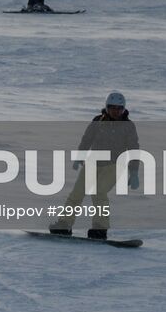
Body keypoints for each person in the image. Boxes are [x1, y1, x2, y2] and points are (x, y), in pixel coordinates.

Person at [49, 91, 140, 240]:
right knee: (76, 194)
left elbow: (134, 148)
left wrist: (134, 172)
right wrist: (80, 157)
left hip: (115, 165)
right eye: (113, 108)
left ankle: (100, 228)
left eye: (119, 108)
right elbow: (87, 139)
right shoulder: (97, 121)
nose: (116, 111)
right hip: (92, 163)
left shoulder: (128, 126)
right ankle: (64, 224)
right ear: (107, 107)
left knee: (99, 192)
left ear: (123, 109)